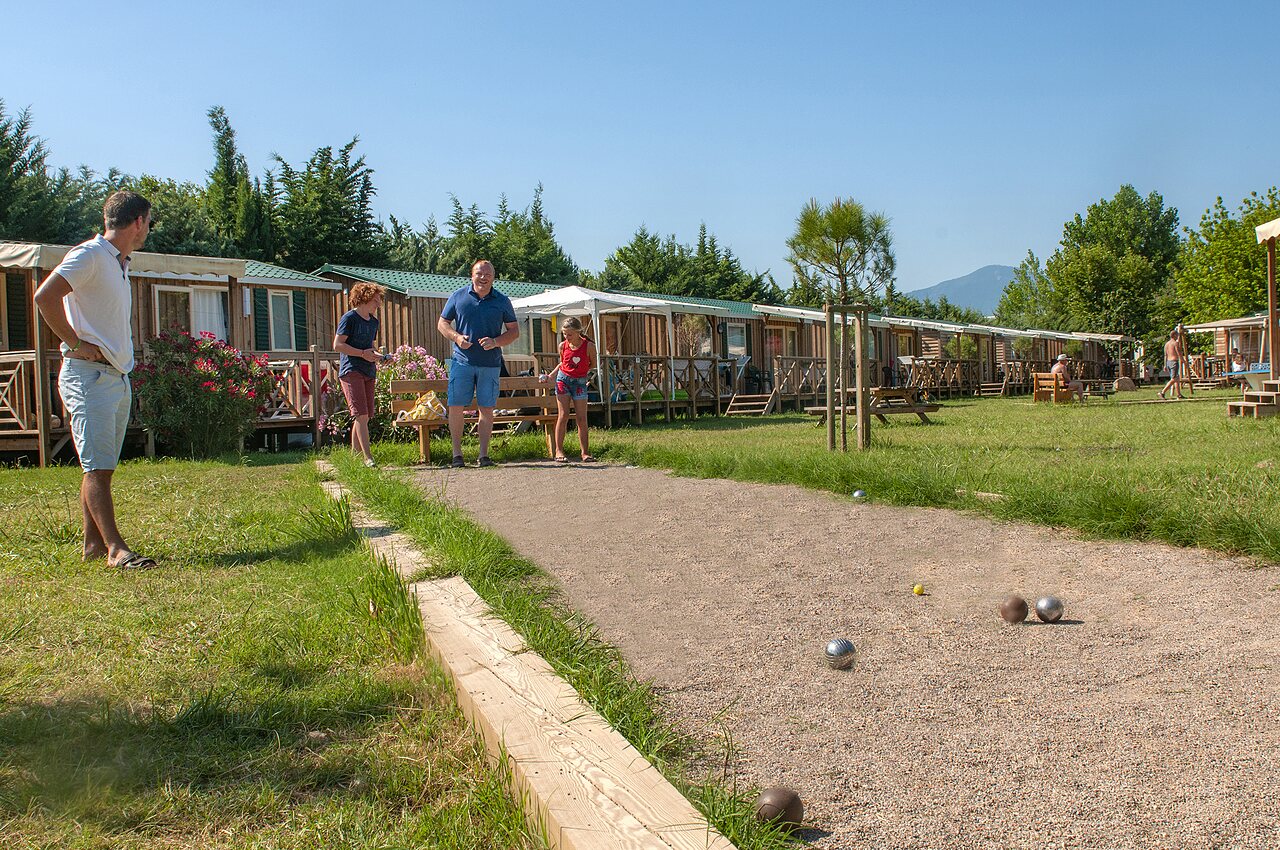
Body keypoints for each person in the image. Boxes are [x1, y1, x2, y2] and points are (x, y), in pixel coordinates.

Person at [32, 190, 157, 570]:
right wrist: (74, 343)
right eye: (149, 222)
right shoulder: (89, 255)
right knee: (96, 468)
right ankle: (116, 550)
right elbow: (44, 297)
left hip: (114, 375)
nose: (148, 230)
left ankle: (93, 546)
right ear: (138, 221)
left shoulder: (119, 263)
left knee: (101, 467)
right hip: (89, 376)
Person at [437, 260, 519, 468]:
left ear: (493, 278)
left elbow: (514, 331)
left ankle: (483, 455)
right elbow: (442, 323)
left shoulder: (502, 300)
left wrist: (496, 342)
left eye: (488, 274)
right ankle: (457, 455)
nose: (483, 278)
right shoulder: (458, 296)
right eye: (479, 274)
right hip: (461, 362)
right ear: (471, 275)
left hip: (490, 364)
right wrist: (456, 338)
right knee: (456, 406)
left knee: (487, 408)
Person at [333, 282, 389, 468]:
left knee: (364, 416)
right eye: (375, 300)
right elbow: (338, 345)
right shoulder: (349, 318)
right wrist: (361, 354)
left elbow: (370, 347)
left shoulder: (373, 322)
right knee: (361, 415)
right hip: (351, 371)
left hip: (368, 371)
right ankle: (368, 458)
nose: (378, 304)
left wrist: (381, 357)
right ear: (364, 298)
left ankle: (354, 458)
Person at [547, 316, 597, 463]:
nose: (566, 337)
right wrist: (551, 375)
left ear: (578, 332)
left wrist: (581, 372)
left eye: (569, 334)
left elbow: (593, 364)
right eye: (564, 334)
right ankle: (559, 451)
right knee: (563, 415)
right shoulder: (562, 346)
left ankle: (585, 453)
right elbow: (563, 362)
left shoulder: (589, 346)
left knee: (582, 418)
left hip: (580, 383)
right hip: (563, 380)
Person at [1158, 329, 1184, 400]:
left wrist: (1165, 365)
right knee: (1174, 379)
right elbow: (1179, 353)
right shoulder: (1175, 343)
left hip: (1168, 362)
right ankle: (1162, 392)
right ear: (1174, 335)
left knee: (1176, 379)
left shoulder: (1167, 344)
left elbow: (1165, 355)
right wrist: (1183, 361)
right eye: (1177, 335)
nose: (1178, 336)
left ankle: (1179, 394)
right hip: (1174, 362)